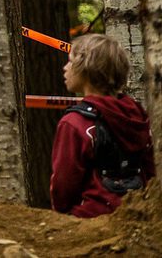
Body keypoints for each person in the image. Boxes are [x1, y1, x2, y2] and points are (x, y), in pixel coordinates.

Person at [50, 33, 155, 218]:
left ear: (87, 68)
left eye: (70, 62)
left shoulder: (75, 123)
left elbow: (63, 189)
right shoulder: (137, 115)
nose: (65, 68)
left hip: (91, 219)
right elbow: (150, 172)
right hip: (140, 216)